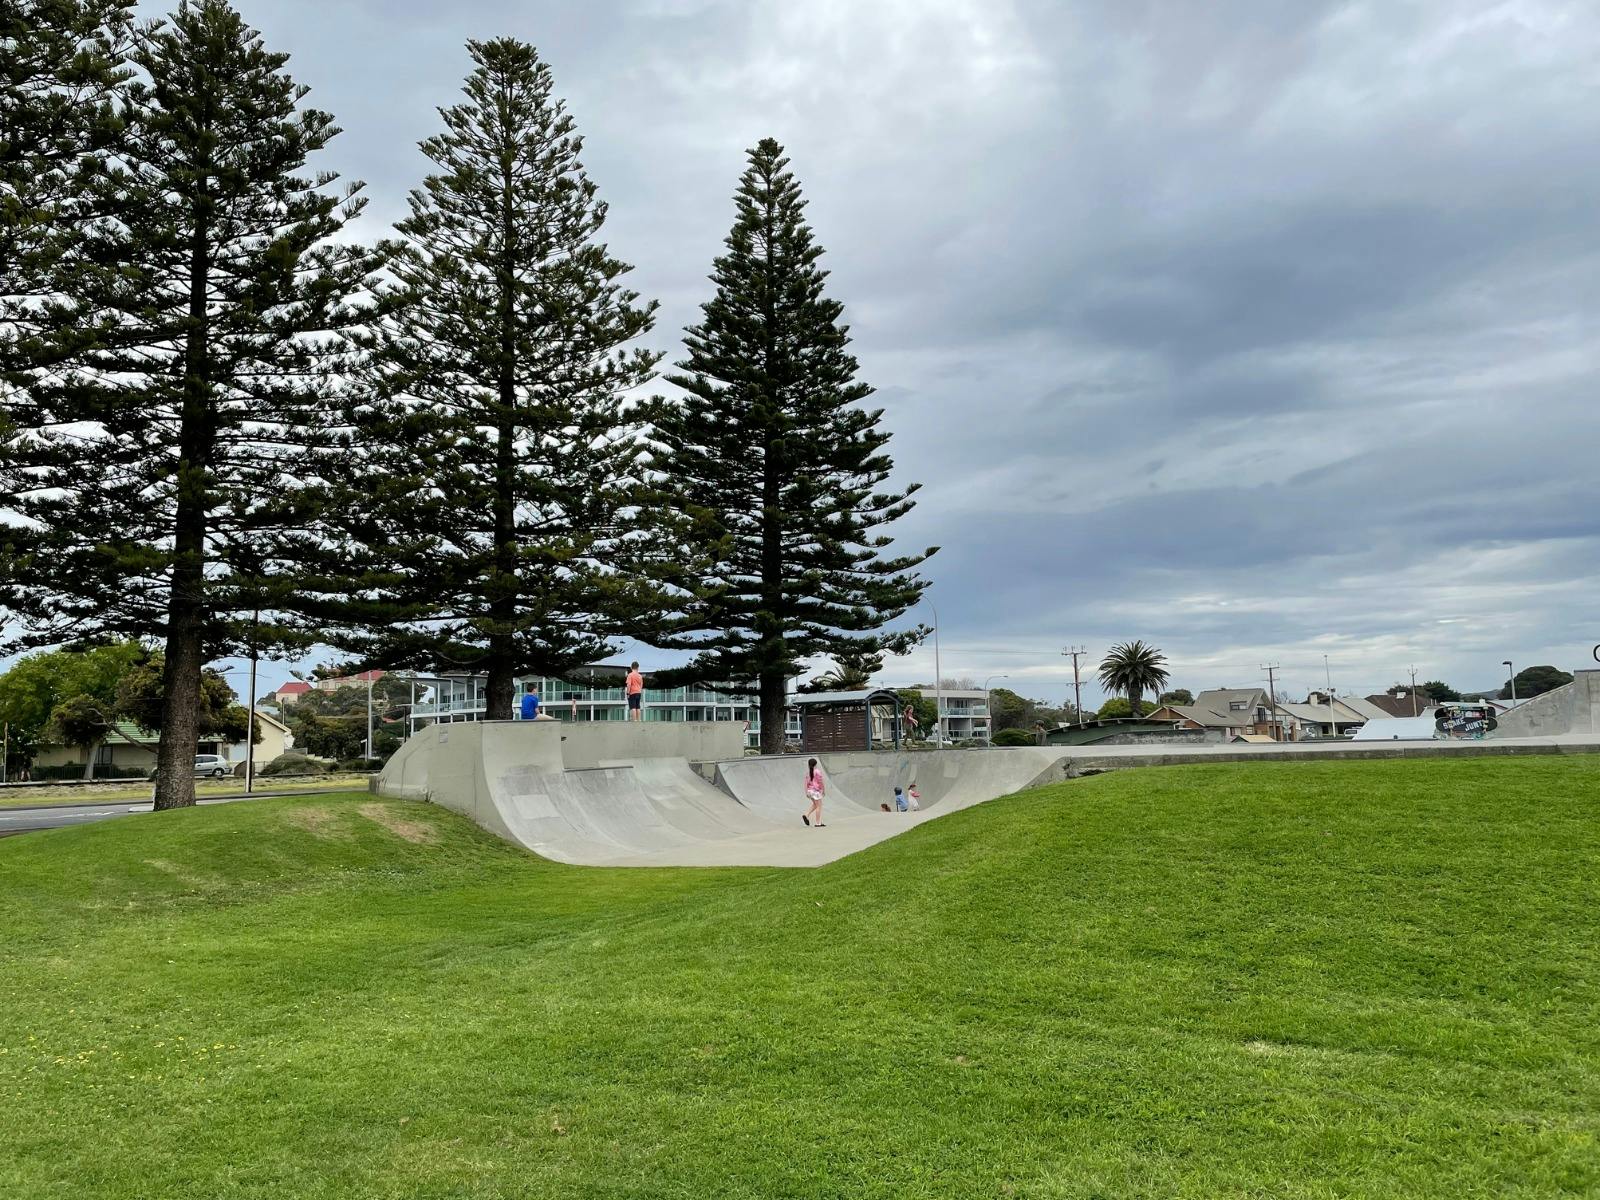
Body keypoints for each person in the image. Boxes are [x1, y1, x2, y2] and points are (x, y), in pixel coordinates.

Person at [801, 758, 826, 827]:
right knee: (819, 806)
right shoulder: (817, 771)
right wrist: (823, 790)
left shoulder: (808, 773)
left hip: (810, 791)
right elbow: (820, 781)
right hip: (816, 791)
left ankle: (806, 815)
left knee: (815, 805)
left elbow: (805, 783)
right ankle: (818, 823)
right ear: (816, 764)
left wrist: (806, 792)